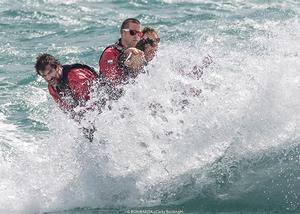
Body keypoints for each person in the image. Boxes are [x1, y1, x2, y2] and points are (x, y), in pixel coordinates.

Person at [35, 53, 98, 140]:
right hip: (88, 112)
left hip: (104, 104)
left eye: (50, 72)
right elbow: (68, 111)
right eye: (44, 76)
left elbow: (91, 105)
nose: (48, 78)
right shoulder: (52, 87)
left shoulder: (76, 77)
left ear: (57, 67)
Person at [98, 18, 145, 84]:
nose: (136, 36)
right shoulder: (110, 53)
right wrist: (124, 58)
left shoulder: (139, 53)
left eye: (139, 33)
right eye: (132, 32)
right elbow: (111, 81)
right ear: (123, 33)